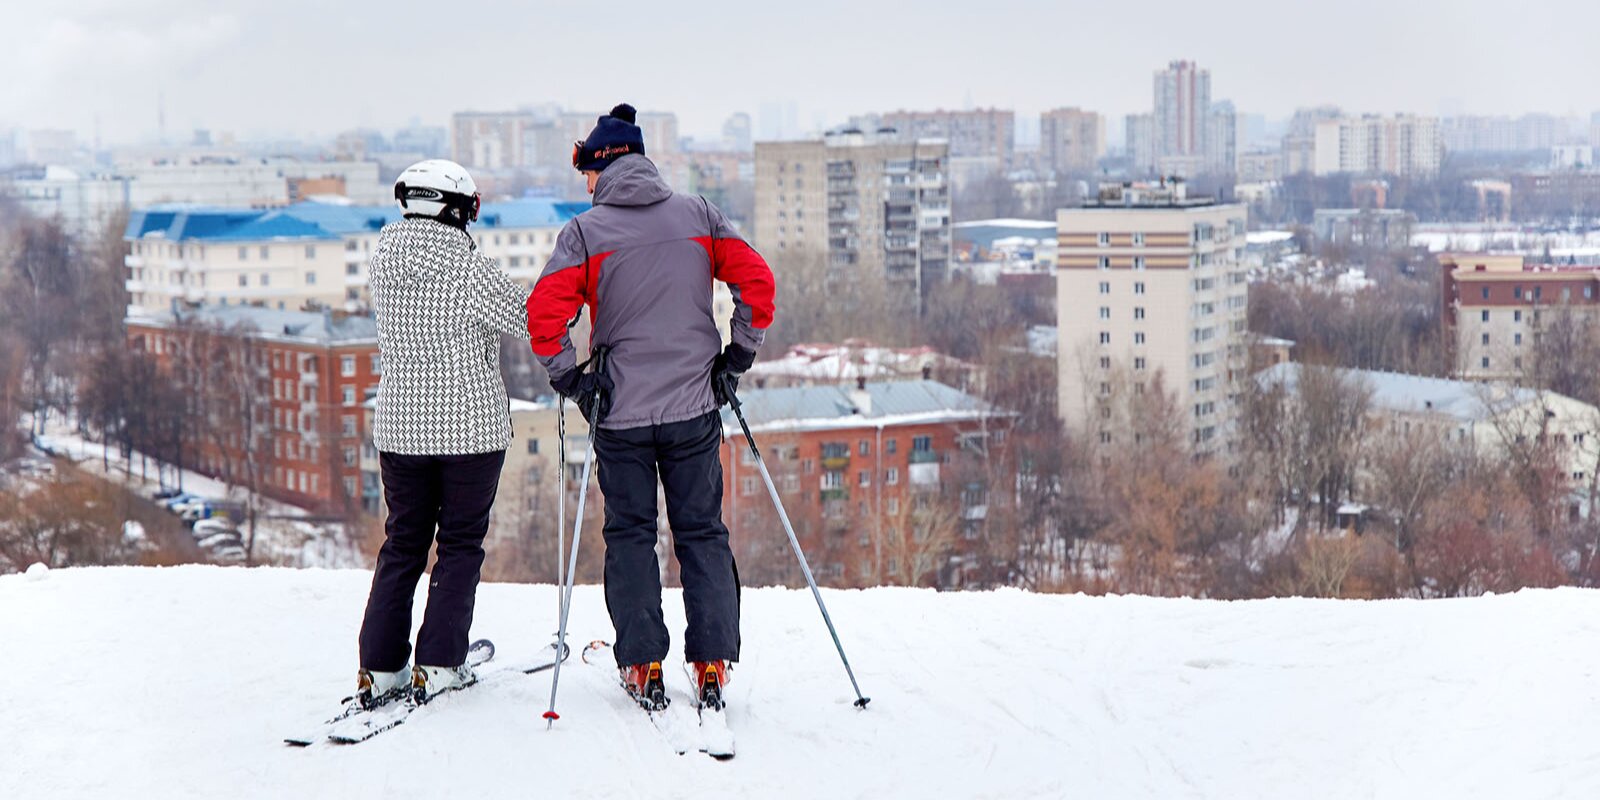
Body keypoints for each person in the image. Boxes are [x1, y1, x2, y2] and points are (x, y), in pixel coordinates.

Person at [527, 104, 776, 711]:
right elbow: (758, 285)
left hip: (619, 414)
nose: (586, 187)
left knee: (632, 535)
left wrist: (571, 381)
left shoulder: (586, 234)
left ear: (603, 167)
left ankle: (642, 664)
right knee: (702, 532)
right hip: (694, 407)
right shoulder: (699, 216)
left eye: (587, 174)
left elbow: (543, 315)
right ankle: (712, 660)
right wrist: (735, 357)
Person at [355, 158, 531, 708]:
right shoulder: (465, 267)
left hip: (400, 430)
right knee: (458, 546)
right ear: (456, 208)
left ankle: (380, 669)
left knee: (402, 543)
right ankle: (439, 661)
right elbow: (527, 316)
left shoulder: (383, 256)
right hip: (468, 434)